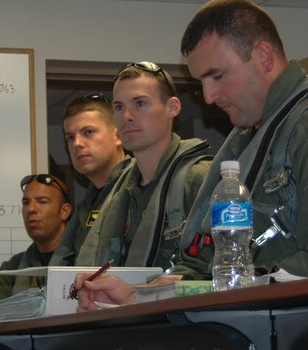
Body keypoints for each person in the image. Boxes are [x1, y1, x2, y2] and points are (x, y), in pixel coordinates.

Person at [76, 0, 308, 310]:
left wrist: (223, 285)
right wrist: (139, 296)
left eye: (217, 76)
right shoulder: (247, 142)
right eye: (202, 81)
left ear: (264, 57)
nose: (210, 96)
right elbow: (208, 266)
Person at [75, 63, 211, 269]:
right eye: (119, 107)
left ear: (172, 108)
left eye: (139, 103)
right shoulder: (117, 194)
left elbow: (223, 269)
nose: (127, 116)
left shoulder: (199, 180)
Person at [49, 94, 130, 266]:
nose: (77, 143)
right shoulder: (89, 203)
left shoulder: (141, 186)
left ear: (118, 136)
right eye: (70, 138)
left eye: (88, 132)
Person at [0, 174, 72, 308]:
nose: (31, 209)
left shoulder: (83, 259)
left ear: (64, 211)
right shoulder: (15, 267)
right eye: (26, 203)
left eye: (42, 201)